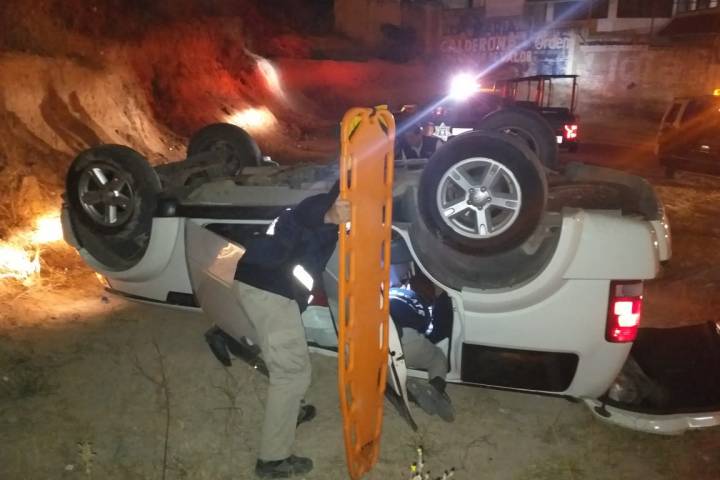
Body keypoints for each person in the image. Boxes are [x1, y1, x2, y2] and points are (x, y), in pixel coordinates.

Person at [205, 181, 350, 478]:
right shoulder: (318, 209)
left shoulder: (330, 223)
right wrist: (329, 214)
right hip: (269, 291)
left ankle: (289, 408)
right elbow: (309, 216)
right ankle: (272, 460)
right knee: (292, 372)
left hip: (257, 283)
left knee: (281, 356)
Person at [389, 271, 455, 422]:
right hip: (404, 337)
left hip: (373, 334)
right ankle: (436, 388)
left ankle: (403, 387)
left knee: (381, 370)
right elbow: (431, 336)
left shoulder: (392, 291)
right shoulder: (424, 311)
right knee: (437, 357)